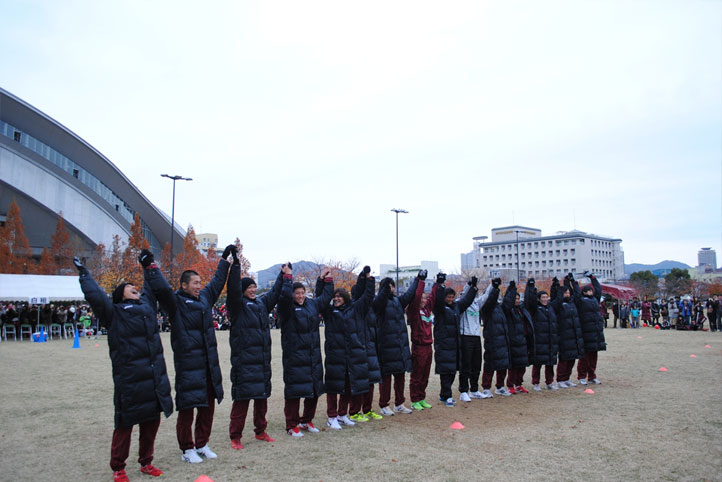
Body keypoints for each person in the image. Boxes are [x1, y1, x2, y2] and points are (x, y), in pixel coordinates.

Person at [74, 255, 172, 482]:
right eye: (129, 287)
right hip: (130, 379)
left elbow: (150, 286)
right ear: (120, 295)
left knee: (151, 422)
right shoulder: (114, 313)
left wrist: (148, 266)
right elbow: (96, 296)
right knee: (125, 424)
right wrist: (84, 274)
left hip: (154, 377)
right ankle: (118, 468)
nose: (134, 288)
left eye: (134, 286)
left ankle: (146, 462)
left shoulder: (147, 307)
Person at [143, 247, 231, 464]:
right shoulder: (175, 302)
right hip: (188, 364)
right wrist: (151, 267)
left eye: (200, 283)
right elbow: (162, 289)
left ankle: (202, 444)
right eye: (195, 283)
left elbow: (217, 282)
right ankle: (187, 448)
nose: (199, 286)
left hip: (208, 362)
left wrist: (225, 261)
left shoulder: (204, 299)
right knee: (187, 408)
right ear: (184, 285)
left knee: (207, 407)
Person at [227, 262, 291, 449]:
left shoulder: (262, 304)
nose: (253, 290)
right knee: (242, 402)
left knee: (262, 400)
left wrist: (283, 275)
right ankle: (235, 436)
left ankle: (260, 431)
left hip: (262, 362)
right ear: (242, 290)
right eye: (249, 287)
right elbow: (231, 289)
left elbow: (274, 292)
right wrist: (236, 267)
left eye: (255, 287)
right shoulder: (237, 306)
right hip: (244, 362)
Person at [277, 264, 333, 437]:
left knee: (314, 391)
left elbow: (325, 297)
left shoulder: (312, 304)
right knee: (294, 392)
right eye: (297, 293)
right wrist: (287, 277)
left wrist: (326, 279)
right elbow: (285, 296)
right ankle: (291, 425)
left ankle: (306, 420)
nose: (300, 296)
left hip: (313, 356)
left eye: (302, 293)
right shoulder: (286, 308)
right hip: (294, 357)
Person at [317, 268, 375, 429]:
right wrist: (322, 281)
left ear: (345, 298)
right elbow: (321, 298)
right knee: (333, 387)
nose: (336, 299)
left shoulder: (355, 309)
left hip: (352, 355)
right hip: (335, 355)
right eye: (334, 297)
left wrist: (368, 279)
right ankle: (332, 416)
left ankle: (342, 414)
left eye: (339, 297)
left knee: (348, 385)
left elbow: (367, 296)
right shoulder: (329, 312)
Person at [372, 274, 418, 416]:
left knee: (400, 376)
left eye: (392, 286)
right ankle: (384, 404)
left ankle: (399, 403)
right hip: (385, 346)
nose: (391, 288)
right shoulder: (378, 302)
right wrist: (384, 290)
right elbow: (378, 303)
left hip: (399, 346)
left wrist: (418, 280)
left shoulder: (398, 301)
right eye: (388, 286)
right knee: (385, 378)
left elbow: (409, 295)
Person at [432, 273, 479, 405]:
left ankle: (443, 395)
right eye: (448, 297)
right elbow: (437, 300)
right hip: (443, 344)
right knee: (445, 372)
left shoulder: (456, 307)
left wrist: (473, 287)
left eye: (452, 297)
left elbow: (467, 300)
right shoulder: (440, 309)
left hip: (454, 345)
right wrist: (440, 284)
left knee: (452, 372)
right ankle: (447, 396)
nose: (451, 299)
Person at [352, 269, 384, 420]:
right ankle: (354, 411)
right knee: (360, 381)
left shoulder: (371, 308)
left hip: (370, 346)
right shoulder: (356, 306)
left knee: (371, 381)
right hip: (359, 347)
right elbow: (364, 292)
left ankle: (368, 409)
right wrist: (366, 279)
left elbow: (375, 296)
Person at [405, 270, 436, 410]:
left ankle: (422, 397)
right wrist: (421, 281)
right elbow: (417, 297)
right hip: (419, 347)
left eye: (425, 298)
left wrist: (438, 284)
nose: (424, 300)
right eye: (422, 298)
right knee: (417, 375)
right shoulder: (413, 311)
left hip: (429, 346)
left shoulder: (428, 310)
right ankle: (415, 399)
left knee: (425, 375)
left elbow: (433, 298)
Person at [480, 277, 512, 398]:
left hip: (503, 340)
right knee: (490, 365)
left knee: (503, 365)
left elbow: (508, 303)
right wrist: (495, 288)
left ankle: (500, 387)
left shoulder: (500, 308)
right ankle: (486, 387)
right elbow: (491, 300)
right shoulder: (486, 309)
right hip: (492, 340)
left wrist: (512, 289)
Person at [551, 274, 584, 388]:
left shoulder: (573, 303)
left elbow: (577, 294)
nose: (567, 295)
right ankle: (560, 379)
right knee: (564, 358)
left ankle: (567, 378)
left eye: (568, 293)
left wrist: (571, 282)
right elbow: (556, 297)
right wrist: (557, 286)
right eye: (565, 293)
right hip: (564, 335)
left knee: (572, 358)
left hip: (574, 334)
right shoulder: (558, 305)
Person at [525, 278, 558, 391]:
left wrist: (555, 286)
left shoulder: (551, 308)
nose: (545, 299)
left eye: (546, 297)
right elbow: (530, 301)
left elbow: (557, 299)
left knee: (550, 364)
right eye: (543, 297)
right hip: (539, 340)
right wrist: (531, 288)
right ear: (539, 299)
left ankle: (550, 382)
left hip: (550, 340)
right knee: (537, 363)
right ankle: (536, 383)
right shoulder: (535, 309)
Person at [573, 272, 606, 385]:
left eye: (591, 291)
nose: (591, 292)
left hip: (596, 333)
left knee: (593, 357)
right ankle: (581, 376)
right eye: (588, 291)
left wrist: (592, 278)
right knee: (584, 357)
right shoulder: (580, 301)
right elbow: (576, 294)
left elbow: (598, 288)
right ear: (584, 292)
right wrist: (574, 283)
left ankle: (592, 376)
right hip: (586, 333)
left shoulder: (595, 300)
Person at [502, 280, 533, 394]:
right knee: (513, 366)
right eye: (515, 299)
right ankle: (510, 385)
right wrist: (512, 289)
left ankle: (519, 384)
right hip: (513, 341)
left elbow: (530, 301)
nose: (517, 301)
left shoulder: (522, 309)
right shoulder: (508, 311)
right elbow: (507, 302)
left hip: (523, 340)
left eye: (518, 299)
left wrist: (530, 288)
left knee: (523, 365)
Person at [457, 281, 485, 401]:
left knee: (476, 364)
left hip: (476, 336)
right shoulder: (460, 303)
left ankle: (474, 389)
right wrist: (469, 285)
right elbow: (465, 295)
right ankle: (463, 391)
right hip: (465, 336)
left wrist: (493, 287)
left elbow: (487, 296)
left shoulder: (477, 303)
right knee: (466, 365)